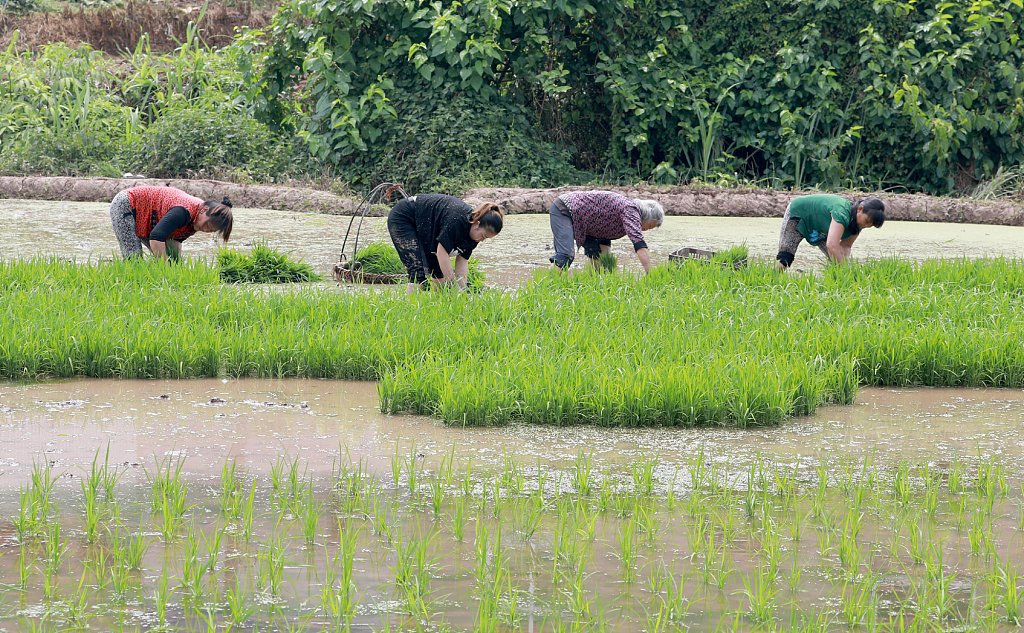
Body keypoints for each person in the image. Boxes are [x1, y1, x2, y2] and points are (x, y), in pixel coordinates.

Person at [386, 194, 503, 292]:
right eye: (483, 236)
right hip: (404, 216)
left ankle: (439, 308)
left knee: (438, 275)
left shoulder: (474, 236)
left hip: (427, 231)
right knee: (417, 271)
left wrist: (461, 291)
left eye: (485, 238)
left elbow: (462, 261)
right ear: (477, 223)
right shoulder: (457, 220)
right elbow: (441, 252)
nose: (482, 240)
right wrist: (452, 284)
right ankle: (409, 310)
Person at [549, 190, 664, 273]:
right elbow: (639, 243)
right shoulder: (631, 210)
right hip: (565, 209)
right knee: (565, 255)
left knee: (600, 258)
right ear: (648, 216)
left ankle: (592, 286)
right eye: (649, 226)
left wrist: (606, 267)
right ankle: (547, 287)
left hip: (587, 222)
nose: (646, 230)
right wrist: (651, 274)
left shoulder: (625, 214)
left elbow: (604, 238)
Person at [109, 186, 234, 260]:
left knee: (171, 260)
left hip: (149, 218)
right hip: (127, 204)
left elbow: (175, 240)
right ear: (204, 210)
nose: (205, 230)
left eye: (211, 230)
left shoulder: (196, 220)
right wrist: (165, 270)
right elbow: (156, 237)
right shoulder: (183, 211)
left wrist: (175, 266)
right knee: (133, 257)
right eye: (208, 226)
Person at [776, 194, 885, 269]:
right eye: (866, 221)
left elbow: (845, 246)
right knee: (786, 257)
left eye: (870, 225)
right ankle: (774, 281)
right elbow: (832, 245)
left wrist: (846, 268)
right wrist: (845, 271)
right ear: (860, 209)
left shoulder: (857, 224)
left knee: (835, 260)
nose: (866, 226)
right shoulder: (841, 213)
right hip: (800, 213)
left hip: (821, 228)